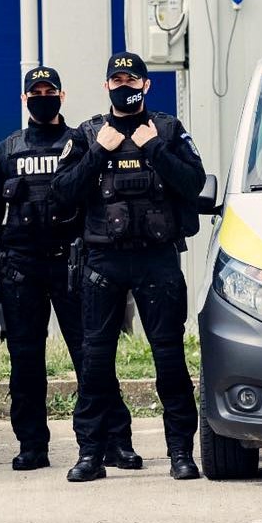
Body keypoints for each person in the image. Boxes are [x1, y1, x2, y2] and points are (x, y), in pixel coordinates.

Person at [0, 66, 136, 471]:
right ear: (25, 99)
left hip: (71, 264)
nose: (42, 97)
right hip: (20, 268)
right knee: (26, 361)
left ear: (61, 96)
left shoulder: (79, 142)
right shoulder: (8, 150)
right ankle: (32, 446)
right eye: (35, 92)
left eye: (49, 91)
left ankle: (115, 442)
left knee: (91, 357)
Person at [51, 52, 205, 482]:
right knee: (95, 363)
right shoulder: (88, 134)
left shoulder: (168, 130)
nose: (125, 86)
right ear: (107, 86)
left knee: (169, 359)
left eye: (132, 80)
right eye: (117, 80)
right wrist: (98, 153)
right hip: (104, 262)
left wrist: (154, 147)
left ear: (146, 85)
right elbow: (62, 192)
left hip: (157, 261)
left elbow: (194, 183)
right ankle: (90, 454)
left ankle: (181, 453)